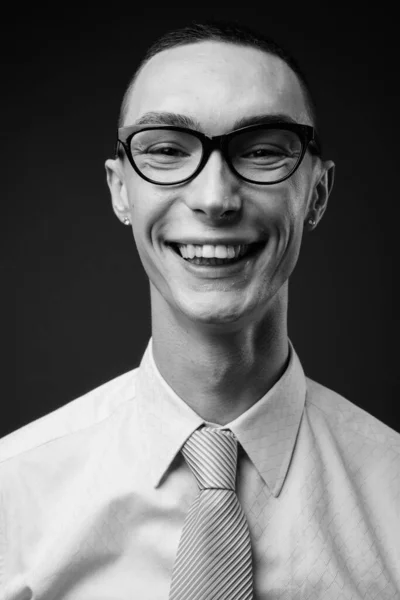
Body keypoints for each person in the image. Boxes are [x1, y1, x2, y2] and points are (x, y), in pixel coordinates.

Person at [1, 20, 399, 600]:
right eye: (166, 150)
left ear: (317, 192)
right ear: (120, 191)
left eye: (262, 151)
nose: (214, 199)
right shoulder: (13, 494)